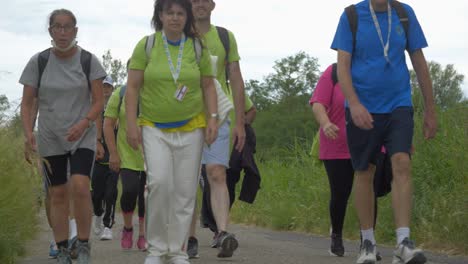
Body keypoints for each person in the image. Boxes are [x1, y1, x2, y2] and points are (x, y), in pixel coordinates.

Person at [331, 0, 437, 263]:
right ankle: (367, 242)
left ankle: (403, 243)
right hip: (363, 106)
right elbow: (342, 65)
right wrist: (353, 103)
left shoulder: (404, 13)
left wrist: (430, 110)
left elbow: (419, 62)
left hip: (398, 103)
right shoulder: (351, 16)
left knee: (402, 162)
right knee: (365, 170)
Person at [125, 0, 218, 263]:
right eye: (170, 13)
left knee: (185, 191)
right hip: (154, 127)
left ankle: (177, 250)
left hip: (191, 128)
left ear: (187, 17)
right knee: (160, 184)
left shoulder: (198, 46)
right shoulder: (147, 45)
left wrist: (212, 118)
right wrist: (131, 124)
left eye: (180, 13)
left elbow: (209, 86)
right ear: (160, 16)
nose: (175, 18)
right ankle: (156, 249)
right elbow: (132, 88)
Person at [20, 8, 106, 264]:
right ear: (50, 31)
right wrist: (28, 133)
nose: (62, 32)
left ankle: (82, 243)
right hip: (50, 136)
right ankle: (62, 249)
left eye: (68, 27)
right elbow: (27, 103)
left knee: (80, 185)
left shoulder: (89, 61)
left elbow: (99, 101)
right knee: (57, 193)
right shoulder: (39, 61)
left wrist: (85, 123)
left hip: (82, 135)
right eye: (57, 27)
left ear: (75, 31)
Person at [310, 63, 393, 259]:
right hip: (337, 143)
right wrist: (326, 123)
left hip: (369, 142)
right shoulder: (334, 72)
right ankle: (336, 236)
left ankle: (368, 242)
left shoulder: (377, 72)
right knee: (340, 193)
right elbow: (318, 103)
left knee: (369, 192)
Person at [188, 0, 247, 258]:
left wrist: (240, 122)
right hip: (186, 117)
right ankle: (188, 237)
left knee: (217, 173)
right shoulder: (178, 35)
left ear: (213, 5)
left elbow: (235, 77)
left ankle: (222, 233)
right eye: (194, 0)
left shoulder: (224, 36)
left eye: (204, 0)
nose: (199, 4)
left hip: (219, 114)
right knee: (188, 180)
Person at [103, 67, 147, 251]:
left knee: (147, 197)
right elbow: (108, 124)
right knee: (129, 190)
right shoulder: (119, 94)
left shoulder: (153, 93)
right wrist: (113, 153)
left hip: (150, 154)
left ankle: (143, 234)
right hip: (127, 154)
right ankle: (128, 228)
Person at [91, 76, 119, 241]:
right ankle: (98, 214)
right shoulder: (94, 106)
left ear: (112, 88)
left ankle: (108, 226)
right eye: (103, 87)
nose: (106, 89)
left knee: (111, 192)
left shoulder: (118, 106)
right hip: (97, 154)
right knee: (96, 193)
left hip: (115, 154)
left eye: (108, 86)